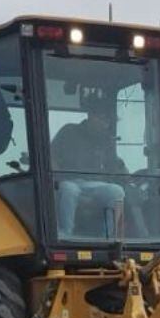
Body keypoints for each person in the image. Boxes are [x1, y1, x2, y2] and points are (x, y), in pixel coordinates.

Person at [50, 88, 126, 238]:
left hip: (95, 184)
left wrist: (124, 170)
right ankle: (66, 233)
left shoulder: (106, 140)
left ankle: (112, 236)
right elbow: (50, 155)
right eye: (102, 119)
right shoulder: (69, 131)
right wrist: (56, 179)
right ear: (91, 116)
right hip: (68, 181)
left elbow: (114, 165)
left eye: (107, 121)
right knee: (69, 190)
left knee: (117, 191)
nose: (105, 124)